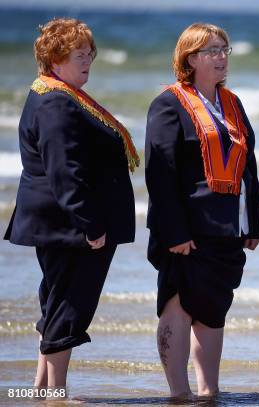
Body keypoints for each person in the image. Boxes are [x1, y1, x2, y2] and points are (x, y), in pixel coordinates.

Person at [3, 18, 138, 395]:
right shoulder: (56, 103)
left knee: (56, 304)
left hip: (60, 223)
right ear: (55, 59)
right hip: (69, 227)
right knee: (67, 308)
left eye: (89, 54)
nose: (87, 62)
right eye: (79, 55)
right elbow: (65, 174)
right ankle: (56, 396)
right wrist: (91, 225)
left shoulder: (53, 93)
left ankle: (42, 388)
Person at [145, 23, 259, 399]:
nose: (221, 56)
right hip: (188, 230)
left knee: (214, 310)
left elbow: (249, 166)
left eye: (224, 49)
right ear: (190, 59)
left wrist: (254, 223)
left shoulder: (232, 103)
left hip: (228, 227)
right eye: (212, 50)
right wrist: (174, 232)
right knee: (179, 306)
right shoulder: (169, 103)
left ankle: (209, 391)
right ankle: (178, 393)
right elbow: (159, 174)